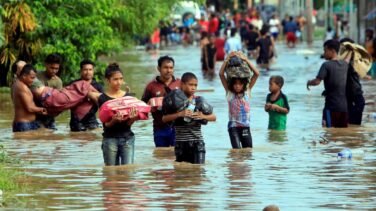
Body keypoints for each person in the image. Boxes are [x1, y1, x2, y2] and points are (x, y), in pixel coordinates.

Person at [162, 72, 216, 164]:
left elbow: (213, 117)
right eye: (190, 84)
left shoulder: (199, 100)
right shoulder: (174, 101)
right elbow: (164, 119)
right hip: (180, 144)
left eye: (195, 85)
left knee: (198, 171)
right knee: (181, 174)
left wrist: (202, 116)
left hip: (197, 143)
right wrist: (179, 114)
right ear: (182, 85)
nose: (193, 88)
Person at [98, 63, 138, 166]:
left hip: (127, 139)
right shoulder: (103, 98)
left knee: (127, 172)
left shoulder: (128, 97)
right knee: (111, 174)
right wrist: (113, 121)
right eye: (115, 79)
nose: (119, 82)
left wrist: (133, 118)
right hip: (110, 139)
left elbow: (128, 124)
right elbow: (105, 124)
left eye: (121, 79)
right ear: (108, 80)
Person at [219, 52, 259, 149]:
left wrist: (246, 60)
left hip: (245, 126)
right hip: (233, 127)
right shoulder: (230, 93)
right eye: (235, 84)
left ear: (243, 84)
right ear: (232, 84)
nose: (237, 86)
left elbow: (256, 74)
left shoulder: (247, 92)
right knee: (236, 151)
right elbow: (221, 74)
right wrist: (227, 59)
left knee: (248, 151)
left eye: (240, 84)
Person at [307, 39, 348, 128]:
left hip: (331, 106)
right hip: (344, 108)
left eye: (325, 51)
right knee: (342, 135)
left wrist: (309, 82)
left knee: (328, 133)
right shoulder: (345, 64)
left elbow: (317, 82)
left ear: (332, 51)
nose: (324, 53)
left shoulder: (326, 65)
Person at [142, 56, 181, 147]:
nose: (168, 70)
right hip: (159, 128)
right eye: (165, 68)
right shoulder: (151, 86)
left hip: (178, 128)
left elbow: (190, 100)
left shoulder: (180, 83)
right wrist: (149, 107)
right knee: (161, 157)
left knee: (176, 157)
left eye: (171, 68)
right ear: (158, 68)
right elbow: (142, 106)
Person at [69, 59, 104, 131]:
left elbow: (103, 105)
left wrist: (92, 96)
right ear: (81, 71)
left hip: (92, 121)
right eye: (85, 69)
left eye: (90, 69)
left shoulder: (98, 86)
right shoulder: (74, 84)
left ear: (93, 71)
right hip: (76, 122)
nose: (88, 72)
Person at [11, 64, 47, 132]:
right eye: (32, 77)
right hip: (24, 124)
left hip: (24, 124)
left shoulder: (18, 84)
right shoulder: (22, 87)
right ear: (24, 76)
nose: (33, 80)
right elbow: (30, 108)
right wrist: (43, 109)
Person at [339, 38, 365, 125]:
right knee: (353, 123)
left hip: (352, 93)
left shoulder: (352, 60)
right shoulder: (345, 61)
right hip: (352, 92)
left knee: (352, 123)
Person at [35, 53, 63, 129]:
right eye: (51, 68)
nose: (54, 71)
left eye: (56, 68)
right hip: (35, 113)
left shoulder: (58, 82)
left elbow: (59, 100)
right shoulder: (36, 75)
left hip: (50, 115)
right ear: (46, 64)